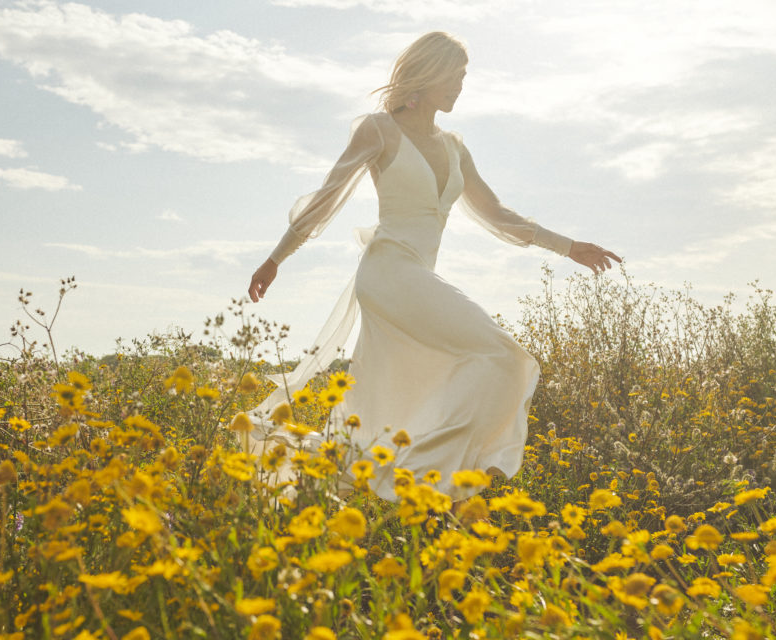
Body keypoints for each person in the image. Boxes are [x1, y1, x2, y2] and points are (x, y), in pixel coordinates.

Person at [245, 32, 621, 502]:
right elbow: (325, 200)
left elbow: (498, 214)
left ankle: (374, 479)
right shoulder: (379, 130)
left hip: (415, 276)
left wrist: (568, 247)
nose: (461, 86)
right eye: (456, 76)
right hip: (387, 272)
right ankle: (424, 483)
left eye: (465, 78)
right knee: (504, 357)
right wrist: (276, 257)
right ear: (429, 71)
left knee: (416, 398)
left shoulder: (455, 147)